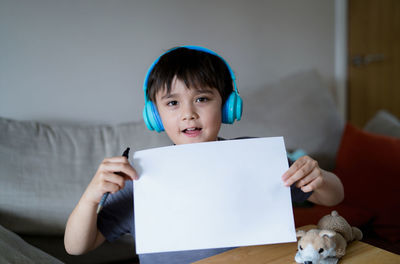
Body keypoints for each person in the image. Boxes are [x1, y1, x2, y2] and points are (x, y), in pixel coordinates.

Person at [64, 46, 344, 263]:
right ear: (155, 115)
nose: (188, 114)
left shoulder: (255, 158)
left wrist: (318, 177)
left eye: (202, 99)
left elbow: (334, 196)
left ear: (227, 105)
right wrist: (91, 196)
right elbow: (77, 246)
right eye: (172, 103)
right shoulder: (141, 178)